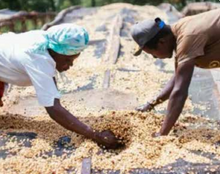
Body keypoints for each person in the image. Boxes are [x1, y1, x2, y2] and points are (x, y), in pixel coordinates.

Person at [0, 23, 120, 149]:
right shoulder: (37, 59)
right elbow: (53, 108)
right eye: (68, 60)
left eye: (73, 60)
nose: (71, 65)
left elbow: (51, 87)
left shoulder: (48, 42)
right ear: (57, 52)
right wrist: (95, 135)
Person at [131, 9, 220, 136]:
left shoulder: (187, 38)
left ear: (161, 42)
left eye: (152, 53)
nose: (154, 58)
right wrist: (150, 105)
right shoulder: (179, 32)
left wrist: (162, 134)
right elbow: (177, 79)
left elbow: (179, 92)